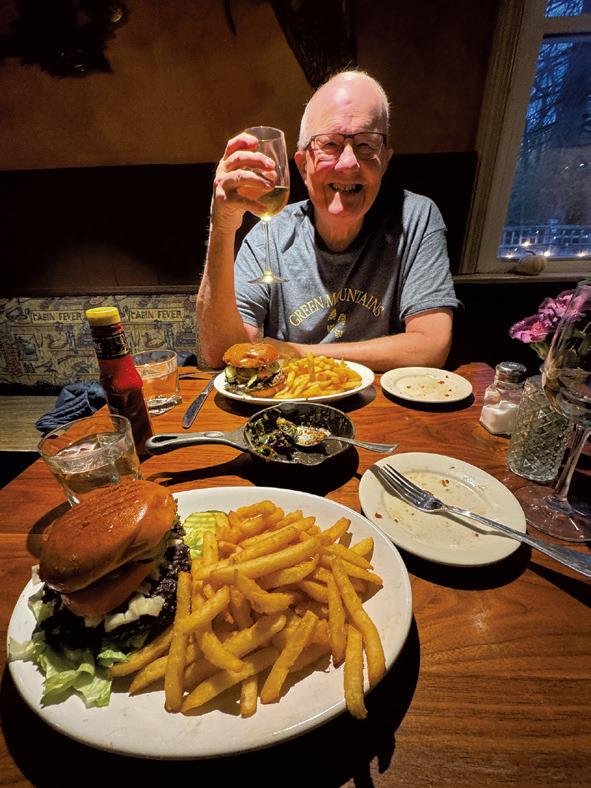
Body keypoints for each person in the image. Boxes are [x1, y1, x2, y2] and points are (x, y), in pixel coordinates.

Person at [196, 70, 459, 372]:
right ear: (302, 165)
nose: (348, 163)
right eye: (330, 144)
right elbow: (220, 353)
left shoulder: (416, 218)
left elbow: (431, 346)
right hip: (293, 400)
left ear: (385, 161)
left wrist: (294, 353)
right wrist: (222, 226)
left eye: (366, 144)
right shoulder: (269, 236)